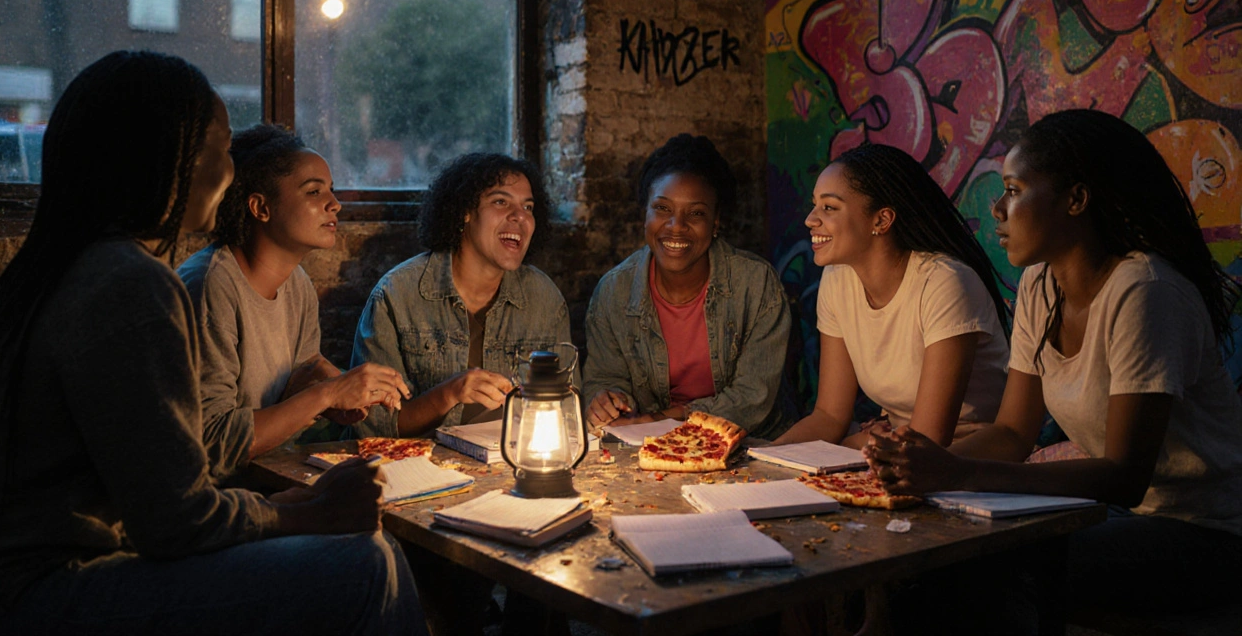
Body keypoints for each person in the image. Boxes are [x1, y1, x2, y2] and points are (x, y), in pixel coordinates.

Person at [0, 51, 425, 635]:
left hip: (21, 579)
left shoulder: (69, 262)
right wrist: (312, 511)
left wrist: (300, 497)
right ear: (163, 155)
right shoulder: (131, 283)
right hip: (33, 593)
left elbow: (162, 499)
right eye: (221, 149)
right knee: (363, 567)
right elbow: (175, 521)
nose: (230, 170)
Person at [865, 109, 1242, 617]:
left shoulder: (1144, 291)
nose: (997, 208)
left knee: (997, 572)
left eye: (1015, 190)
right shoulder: (1041, 288)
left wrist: (959, 470)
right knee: (923, 546)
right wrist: (925, 470)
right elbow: (1013, 434)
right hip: (1117, 516)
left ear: (1076, 200)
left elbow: (1125, 476)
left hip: (1204, 532)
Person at [178, 124, 408, 481]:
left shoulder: (296, 281)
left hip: (265, 475)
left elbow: (301, 367)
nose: (335, 204)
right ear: (260, 207)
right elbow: (214, 441)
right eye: (314, 191)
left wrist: (350, 390)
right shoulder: (211, 285)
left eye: (330, 190)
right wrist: (329, 394)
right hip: (212, 498)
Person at [771, 144, 1010, 448]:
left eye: (829, 207)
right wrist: (759, 460)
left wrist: (865, 444)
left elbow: (927, 441)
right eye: (815, 205)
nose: (811, 219)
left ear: (881, 220)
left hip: (968, 456)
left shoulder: (944, 283)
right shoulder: (837, 278)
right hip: (897, 446)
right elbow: (830, 416)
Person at [348, 152, 572, 440]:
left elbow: (565, 410)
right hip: (416, 469)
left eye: (528, 207)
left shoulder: (544, 298)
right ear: (465, 211)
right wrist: (450, 393)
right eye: (501, 202)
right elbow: (372, 428)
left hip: (510, 466)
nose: (519, 216)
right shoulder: (397, 295)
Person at [584, 134, 791, 440]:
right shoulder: (614, 291)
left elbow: (752, 399)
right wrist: (609, 401)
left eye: (695, 213)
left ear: (716, 222)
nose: (676, 226)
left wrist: (665, 419)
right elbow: (604, 377)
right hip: (646, 449)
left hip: (750, 447)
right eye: (663, 209)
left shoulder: (757, 284)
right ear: (645, 214)